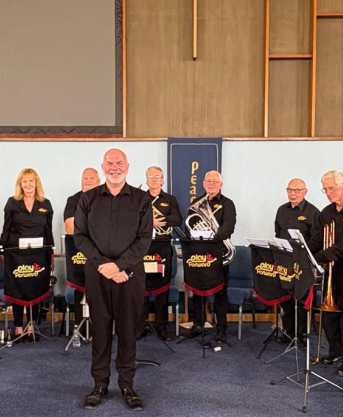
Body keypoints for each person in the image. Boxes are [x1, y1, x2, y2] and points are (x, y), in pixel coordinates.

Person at [75, 149, 152, 410]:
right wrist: (104, 266)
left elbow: (145, 239)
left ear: (127, 167)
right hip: (97, 275)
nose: (114, 167)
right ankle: (99, 384)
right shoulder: (88, 198)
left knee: (128, 331)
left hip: (129, 276)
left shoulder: (142, 199)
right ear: (103, 166)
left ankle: (127, 385)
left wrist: (119, 266)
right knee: (100, 331)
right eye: (110, 163)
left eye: (119, 163)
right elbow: (80, 237)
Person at [312, 170, 343, 377]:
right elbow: (318, 238)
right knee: (329, 316)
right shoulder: (326, 212)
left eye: (331, 188)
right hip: (330, 271)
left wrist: (323, 255)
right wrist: (307, 253)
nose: (328, 193)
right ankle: (335, 352)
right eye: (325, 189)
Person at [0, 168, 54, 342]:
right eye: (25, 181)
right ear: (20, 184)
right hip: (16, 254)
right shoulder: (12, 203)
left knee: (35, 288)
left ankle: (31, 326)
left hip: (39, 255)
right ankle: (17, 327)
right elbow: (6, 228)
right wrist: (2, 251)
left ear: (36, 183)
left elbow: (48, 232)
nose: (28, 184)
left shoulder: (46, 204)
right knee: (18, 289)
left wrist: (51, 254)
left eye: (31, 181)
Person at [186, 170, 236, 344]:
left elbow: (228, 227)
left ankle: (221, 328)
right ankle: (198, 324)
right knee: (197, 290)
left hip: (219, 254)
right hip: (200, 254)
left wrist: (211, 238)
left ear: (221, 185)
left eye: (215, 181)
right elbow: (189, 226)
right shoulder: (196, 203)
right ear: (203, 183)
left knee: (220, 292)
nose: (211, 184)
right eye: (208, 181)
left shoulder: (228, 204)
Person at [275, 178, 322, 343]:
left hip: (303, 263)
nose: (293, 194)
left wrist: (303, 252)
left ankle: (300, 334)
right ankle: (289, 331)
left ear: (305, 192)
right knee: (285, 297)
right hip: (284, 261)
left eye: (297, 190)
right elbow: (277, 233)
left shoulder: (313, 212)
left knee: (301, 298)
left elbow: (317, 239)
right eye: (290, 190)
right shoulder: (281, 210)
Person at [137, 166, 181, 342]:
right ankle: (140, 326)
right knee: (141, 287)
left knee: (163, 288)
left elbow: (177, 219)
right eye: (151, 177)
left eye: (157, 177)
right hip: (143, 248)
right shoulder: (139, 198)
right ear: (146, 180)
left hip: (162, 247)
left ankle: (161, 326)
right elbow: (131, 220)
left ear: (162, 180)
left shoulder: (170, 199)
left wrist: (158, 221)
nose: (154, 180)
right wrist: (149, 222)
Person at [63, 168, 100, 335]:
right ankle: (80, 327)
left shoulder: (107, 198)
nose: (88, 181)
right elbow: (70, 227)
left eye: (92, 178)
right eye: (85, 178)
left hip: (102, 254)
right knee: (80, 288)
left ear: (98, 181)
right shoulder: (73, 200)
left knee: (101, 290)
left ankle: (100, 327)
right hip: (79, 253)